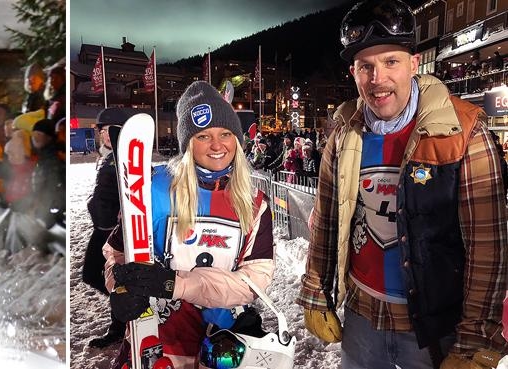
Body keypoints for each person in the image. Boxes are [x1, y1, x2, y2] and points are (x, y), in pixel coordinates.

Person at [296, 1, 508, 368]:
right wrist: (315, 291)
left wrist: (474, 339)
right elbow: (328, 222)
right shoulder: (345, 133)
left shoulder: (464, 132)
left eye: (391, 61)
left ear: (413, 64)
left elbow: (488, 248)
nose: (378, 78)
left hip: (434, 327)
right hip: (362, 319)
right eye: (366, 66)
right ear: (354, 73)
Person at [103, 81, 275, 368]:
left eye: (225, 134)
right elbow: (116, 253)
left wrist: (177, 284)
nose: (217, 145)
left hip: (222, 346)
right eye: (203, 136)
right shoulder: (154, 189)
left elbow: (254, 283)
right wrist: (119, 286)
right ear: (187, 143)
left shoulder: (255, 203)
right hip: (158, 343)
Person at [82, 107, 132, 349]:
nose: (99, 133)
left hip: (111, 231)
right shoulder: (110, 157)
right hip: (101, 228)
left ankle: (122, 319)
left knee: (99, 275)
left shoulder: (123, 159)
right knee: (93, 275)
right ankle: (122, 314)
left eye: (102, 129)